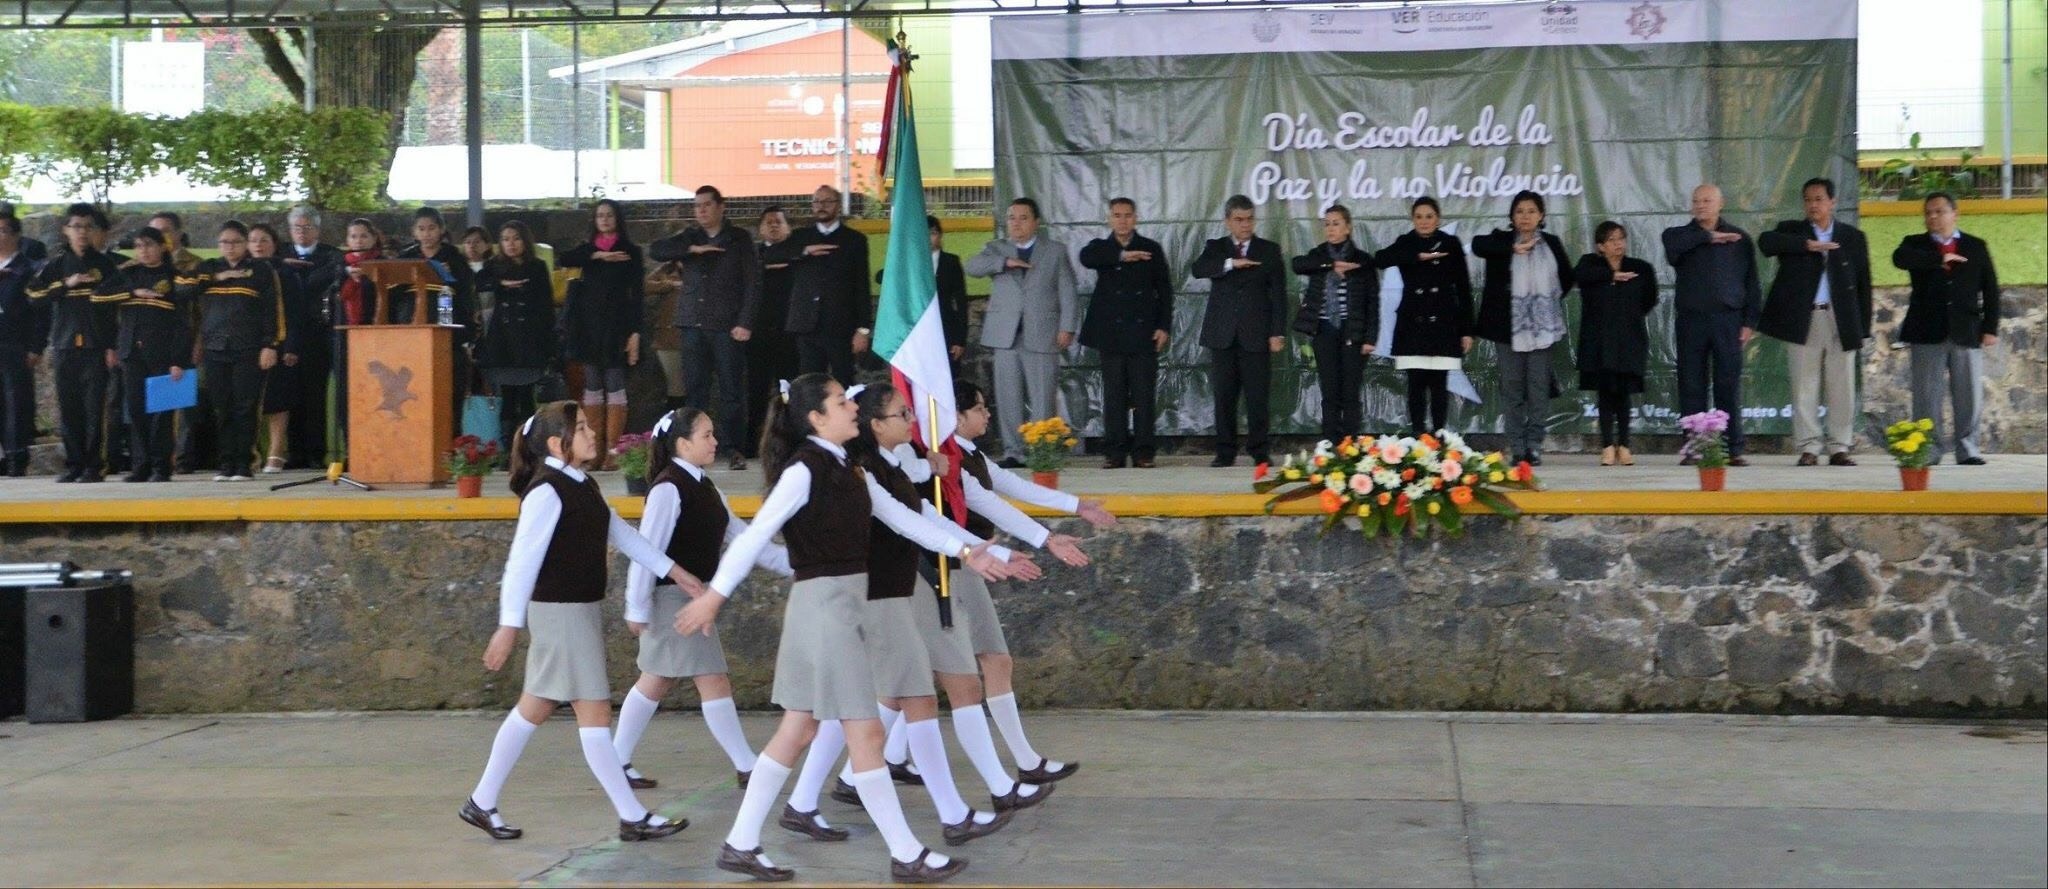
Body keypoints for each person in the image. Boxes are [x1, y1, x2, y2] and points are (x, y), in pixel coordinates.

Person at [672, 373, 1005, 883]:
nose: (852, 406)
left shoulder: (850, 469)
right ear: (816, 418)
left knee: (799, 728)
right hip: (826, 610)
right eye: (839, 401)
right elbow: (756, 534)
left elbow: (903, 518)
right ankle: (905, 853)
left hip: (840, 606)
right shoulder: (804, 470)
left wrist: (965, 551)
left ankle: (740, 842)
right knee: (865, 731)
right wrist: (714, 597)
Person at [779, 384, 1031, 848]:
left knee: (868, 707)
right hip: (874, 598)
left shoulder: (877, 468)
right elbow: (774, 535)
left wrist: (972, 549)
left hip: (887, 595)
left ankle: (803, 802)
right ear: (877, 425)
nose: (912, 423)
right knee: (872, 708)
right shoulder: (852, 470)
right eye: (902, 415)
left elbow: (918, 514)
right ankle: (948, 816)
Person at [460, 401, 699, 844]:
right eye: (583, 427)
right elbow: (521, 562)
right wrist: (508, 624)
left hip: (578, 611)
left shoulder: (582, 484)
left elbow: (624, 536)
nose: (592, 433)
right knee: (593, 711)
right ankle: (631, 815)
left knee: (534, 706)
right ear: (557, 443)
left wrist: (675, 571)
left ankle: (482, 801)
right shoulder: (547, 491)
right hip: (560, 614)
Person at [922, 379, 1110, 789]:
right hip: (956, 564)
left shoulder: (966, 455)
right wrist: (1027, 546)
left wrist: (1075, 507)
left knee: (954, 672)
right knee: (947, 678)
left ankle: (1024, 763)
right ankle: (1014, 772)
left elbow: (1011, 490)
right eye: (980, 408)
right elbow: (969, 512)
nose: (988, 415)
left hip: (971, 561)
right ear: (955, 416)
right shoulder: (944, 459)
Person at [613, 406, 784, 793]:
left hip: (693, 597)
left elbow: (743, 538)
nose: (715, 442)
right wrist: (636, 606)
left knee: (657, 681)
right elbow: (646, 551)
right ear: (683, 443)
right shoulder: (667, 489)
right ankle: (746, 765)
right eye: (706, 435)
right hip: (673, 598)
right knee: (706, 678)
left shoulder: (707, 487)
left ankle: (616, 758)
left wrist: (789, 562)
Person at [1758, 177, 1873, 467]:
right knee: (1803, 384)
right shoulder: (1791, 231)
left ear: (1832, 202)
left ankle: (1839, 446)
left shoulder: (1852, 237)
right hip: (1804, 317)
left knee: (1842, 384)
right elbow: (1766, 243)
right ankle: (1809, 446)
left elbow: (1863, 285)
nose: (1813, 205)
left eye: (1819, 199)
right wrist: (1806, 245)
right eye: (1808, 199)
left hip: (1841, 317)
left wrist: (1864, 328)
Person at [649, 186, 760, 471]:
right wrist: (691, 250)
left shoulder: (739, 238)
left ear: (721, 207)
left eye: (707, 205)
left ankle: (733, 448)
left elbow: (752, 283)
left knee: (731, 390)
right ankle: (695, 451)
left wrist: (745, 322)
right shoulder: (690, 237)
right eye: (697, 206)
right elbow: (657, 249)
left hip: (727, 325)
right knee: (695, 390)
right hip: (693, 324)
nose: (701, 210)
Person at [966, 198, 1077, 468]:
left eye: (1023, 217)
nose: (1016, 223)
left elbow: (1068, 291)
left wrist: (1067, 326)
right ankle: (1013, 451)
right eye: (1012, 217)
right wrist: (1005, 262)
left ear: (1036, 222)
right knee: (1008, 395)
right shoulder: (996, 249)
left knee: (1042, 396)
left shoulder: (1054, 251)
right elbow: (972, 267)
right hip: (1005, 335)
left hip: (1043, 333)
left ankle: (1042, 451)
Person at [1892, 192, 2001, 466]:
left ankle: (1968, 448)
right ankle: (1929, 449)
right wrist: (1938, 260)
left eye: (1939, 211)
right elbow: (1900, 259)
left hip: (1966, 330)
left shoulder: (1976, 246)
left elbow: (1991, 290)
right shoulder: (1914, 245)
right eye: (1928, 212)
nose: (1933, 217)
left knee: (1969, 395)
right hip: (1927, 330)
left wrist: (1990, 328)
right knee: (1926, 395)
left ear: (1955, 214)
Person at [1661, 184, 1761, 466]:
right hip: (1692, 321)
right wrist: (1706, 237)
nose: (1701, 205)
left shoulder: (1740, 238)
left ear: (1720, 203)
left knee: (1727, 384)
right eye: (1696, 201)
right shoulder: (1679, 235)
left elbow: (1751, 282)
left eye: (1707, 200)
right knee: (1691, 383)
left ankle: (1732, 448)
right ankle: (1694, 447)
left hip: (1728, 321)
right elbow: (1672, 251)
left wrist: (1749, 321)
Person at [1472, 191, 1574, 465]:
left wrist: (1541, 307)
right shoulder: (1501, 241)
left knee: (1538, 388)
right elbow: (1477, 245)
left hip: (1542, 329)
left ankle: (1534, 444)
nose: (1525, 216)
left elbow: (1566, 278)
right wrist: (1511, 249)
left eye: (1531, 211)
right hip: (1507, 330)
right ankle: (1517, 447)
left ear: (1541, 215)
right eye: (1519, 211)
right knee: (1513, 388)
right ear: (1512, 216)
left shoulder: (1551, 243)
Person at [178, 221, 284, 482]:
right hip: (215, 347)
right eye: (224, 242)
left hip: (249, 348)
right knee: (221, 407)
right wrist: (216, 278)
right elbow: (181, 288)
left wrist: (271, 344)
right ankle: (225, 463)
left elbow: (274, 310)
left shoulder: (261, 270)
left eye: (236, 242)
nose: (230, 247)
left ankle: (244, 463)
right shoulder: (208, 268)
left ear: (246, 243)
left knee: (245, 406)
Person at [1190, 195, 1288, 467]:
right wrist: (1231, 263)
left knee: (1257, 396)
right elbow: (1198, 269)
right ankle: (1225, 451)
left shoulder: (1268, 249)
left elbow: (1278, 294)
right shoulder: (1216, 247)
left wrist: (1277, 332)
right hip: (1222, 335)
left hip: (1257, 334)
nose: (1245, 225)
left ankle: (1259, 450)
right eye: (1239, 220)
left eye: (1249, 219)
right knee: (1224, 396)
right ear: (1228, 221)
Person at [28, 203, 120, 483]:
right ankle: (74, 463)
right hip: (65, 343)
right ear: (66, 230)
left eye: (87, 227)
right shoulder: (55, 265)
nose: (82, 232)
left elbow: (117, 306)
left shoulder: (105, 265)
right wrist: (65, 285)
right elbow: (34, 294)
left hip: (96, 345)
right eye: (76, 226)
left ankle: (95, 464)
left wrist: (112, 346)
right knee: (69, 408)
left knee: (95, 407)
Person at [1079, 198, 1174, 468]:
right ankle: (1115, 452)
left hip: (1144, 333)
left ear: (1136, 218)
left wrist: (1163, 326)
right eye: (1117, 215)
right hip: (1111, 335)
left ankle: (1144, 452)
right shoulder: (1101, 248)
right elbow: (1086, 258)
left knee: (1144, 396)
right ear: (1109, 218)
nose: (1122, 220)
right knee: (1114, 396)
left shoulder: (1150, 248)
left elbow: (1165, 290)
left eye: (1127, 215)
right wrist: (1122, 256)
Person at [560, 199, 650, 471]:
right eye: (600, 215)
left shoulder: (631, 252)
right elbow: (564, 258)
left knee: (615, 384)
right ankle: (593, 451)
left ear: (617, 219)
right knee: (592, 386)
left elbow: (638, 296)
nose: (605, 219)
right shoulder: (588, 250)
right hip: (589, 328)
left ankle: (612, 451)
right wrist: (598, 256)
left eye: (609, 215)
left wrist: (635, 333)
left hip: (618, 328)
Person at [1376, 197, 1474, 438]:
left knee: (1439, 384)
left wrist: (1466, 330)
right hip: (1413, 323)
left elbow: (1464, 288)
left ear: (1438, 218)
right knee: (1416, 384)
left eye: (1429, 216)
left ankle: (1439, 434)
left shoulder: (1450, 243)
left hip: (1444, 323)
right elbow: (1380, 259)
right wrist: (1416, 256)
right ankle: (1419, 434)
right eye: (1418, 217)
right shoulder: (1406, 242)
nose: (1424, 221)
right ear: (1412, 219)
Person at [95, 228, 187, 483]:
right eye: (139, 246)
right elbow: (98, 295)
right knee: (136, 411)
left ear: (162, 247)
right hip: (131, 352)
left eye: (149, 245)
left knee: (161, 412)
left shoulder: (173, 277)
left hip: (162, 353)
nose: (144, 250)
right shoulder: (128, 273)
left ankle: (161, 466)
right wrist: (133, 293)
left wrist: (178, 359)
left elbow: (183, 323)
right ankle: (141, 465)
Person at [761, 186, 870, 385]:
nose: (822, 206)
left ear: (838, 205)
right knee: (809, 384)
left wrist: (863, 329)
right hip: (806, 326)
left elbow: (861, 285)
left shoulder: (855, 240)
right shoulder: (799, 237)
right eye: (817, 202)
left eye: (827, 201)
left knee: (844, 381)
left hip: (841, 326)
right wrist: (804, 251)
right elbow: (770, 255)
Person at [1289, 204, 1379, 442]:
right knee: (1329, 391)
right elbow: (1298, 264)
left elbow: (1372, 301)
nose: (1330, 228)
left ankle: (1350, 445)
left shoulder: (1362, 260)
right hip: (1324, 329)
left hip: (1353, 330)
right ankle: (1330, 444)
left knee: (1350, 392)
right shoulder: (1318, 255)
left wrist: (1370, 338)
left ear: (1348, 227)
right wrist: (1331, 265)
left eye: (1336, 223)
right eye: (1327, 224)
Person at [1573, 222, 1658, 467]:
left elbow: (1649, 299)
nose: (1618, 243)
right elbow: (1576, 276)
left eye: (1621, 238)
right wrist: (1611, 276)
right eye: (1611, 240)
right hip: (1599, 341)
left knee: (1623, 394)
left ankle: (1625, 445)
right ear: (1600, 246)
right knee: (1606, 394)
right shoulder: (1590, 264)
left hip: (1629, 339)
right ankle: (1607, 446)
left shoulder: (1640, 268)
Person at [474, 221, 558, 454]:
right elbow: (479, 283)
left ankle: (530, 448)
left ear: (525, 241)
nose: (511, 244)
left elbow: (546, 306)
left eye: (516, 238)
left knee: (527, 397)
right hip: (502, 342)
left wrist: (549, 343)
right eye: (506, 239)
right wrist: (501, 285)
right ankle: (508, 449)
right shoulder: (492, 267)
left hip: (529, 340)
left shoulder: (537, 266)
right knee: (507, 397)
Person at [279, 206, 344, 470]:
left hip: (320, 333)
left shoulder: (331, 255)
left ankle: (317, 453)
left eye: (307, 227)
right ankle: (295, 453)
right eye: (297, 227)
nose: (302, 232)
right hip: (288, 336)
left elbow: (328, 282)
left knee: (316, 396)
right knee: (291, 396)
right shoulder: (281, 255)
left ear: (317, 229)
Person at [875, 215, 970, 379]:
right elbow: (881, 278)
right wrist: (902, 260)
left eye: (932, 233)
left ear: (939, 235)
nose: (927, 238)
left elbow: (961, 301)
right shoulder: (908, 261)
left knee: (947, 378)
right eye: (922, 234)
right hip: (914, 331)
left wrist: (959, 339)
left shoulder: (950, 261)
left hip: (944, 330)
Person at [247, 224, 305, 474]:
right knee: (247, 402)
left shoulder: (285, 272)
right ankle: (250, 455)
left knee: (276, 401)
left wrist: (290, 346)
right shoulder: (242, 271)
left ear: (274, 243)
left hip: (278, 344)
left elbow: (295, 313)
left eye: (264, 240)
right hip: (246, 343)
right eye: (253, 240)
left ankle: (276, 451)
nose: (258, 245)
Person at [328, 219, 385, 464]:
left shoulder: (384, 265)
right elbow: (328, 292)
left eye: (363, 236)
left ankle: (377, 448)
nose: (358, 241)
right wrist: (345, 274)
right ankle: (351, 449)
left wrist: (369, 277)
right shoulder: (338, 266)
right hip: (345, 338)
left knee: (376, 392)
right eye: (353, 236)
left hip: (375, 340)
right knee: (347, 394)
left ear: (373, 238)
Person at [743, 206, 800, 454]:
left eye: (779, 221)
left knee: (790, 389)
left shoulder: (797, 253)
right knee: (756, 389)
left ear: (788, 227)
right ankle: (753, 442)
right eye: (768, 222)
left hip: (789, 332)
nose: (774, 226)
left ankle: (792, 440)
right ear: (760, 228)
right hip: (758, 333)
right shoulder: (752, 255)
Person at [0, 212, 44, 477]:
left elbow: (39, 312)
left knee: (16, 402)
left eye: (4, 230)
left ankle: (17, 457)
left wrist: (36, 346)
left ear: (16, 235)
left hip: (15, 344)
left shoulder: (27, 268)